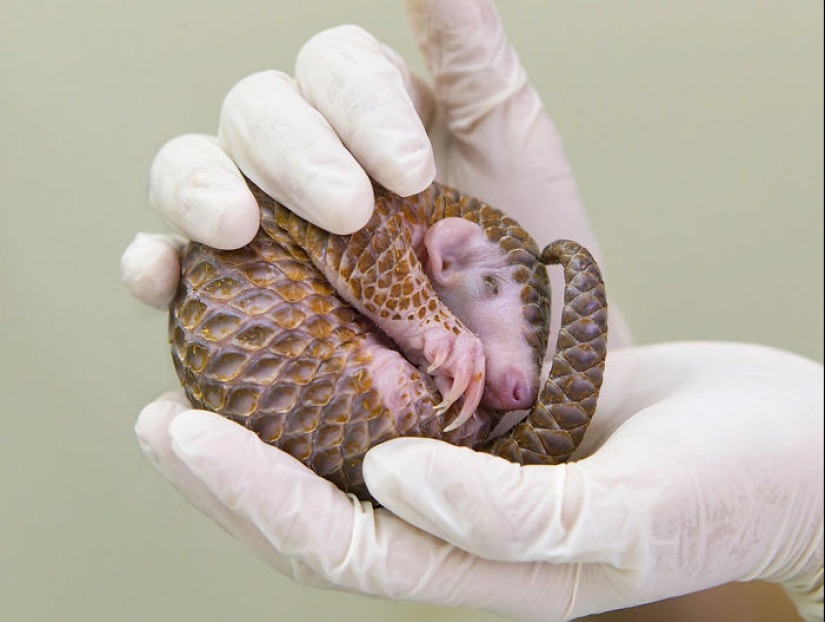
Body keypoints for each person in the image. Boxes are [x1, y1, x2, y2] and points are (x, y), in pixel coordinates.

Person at [120, 1, 823, 620]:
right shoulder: (395, 235)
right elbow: (375, 265)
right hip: (321, 370)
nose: (519, 384)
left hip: (361, 376)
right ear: (446, 254)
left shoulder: (432, 250)